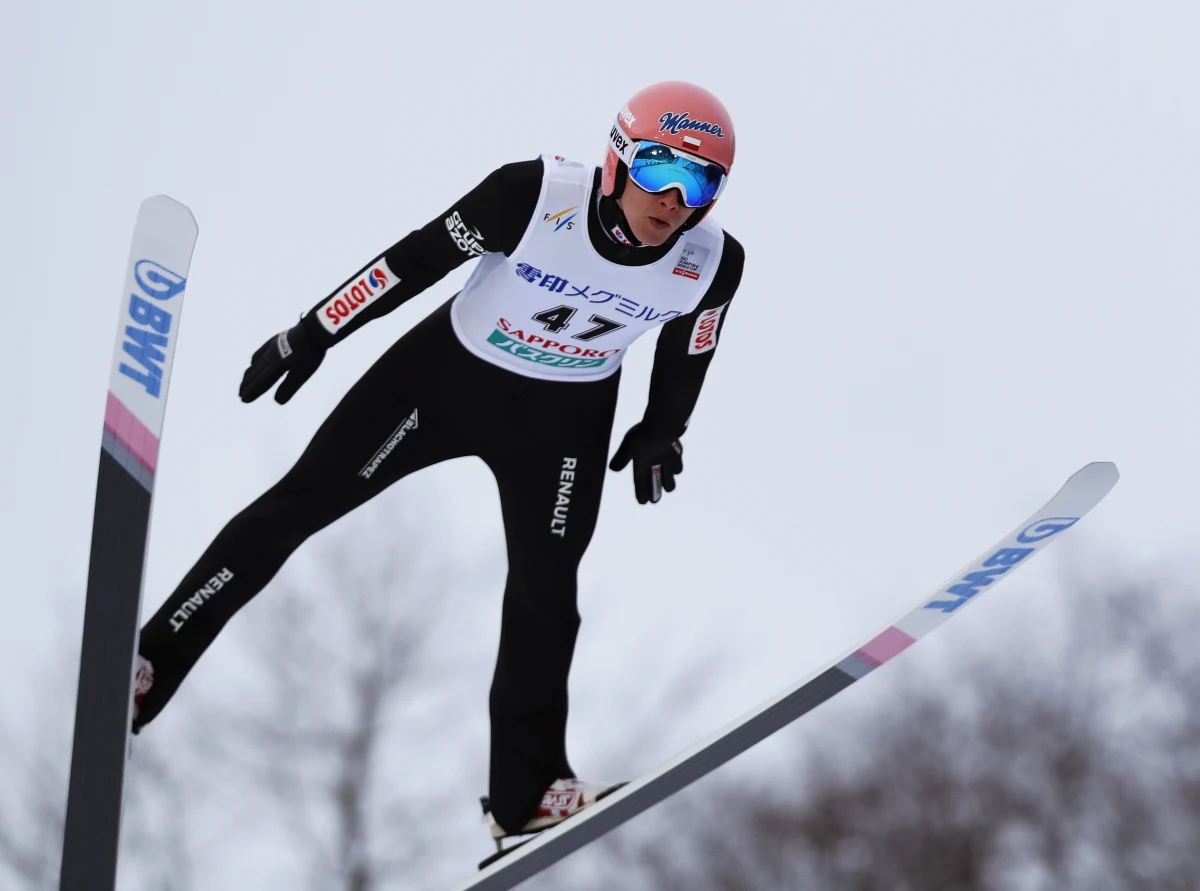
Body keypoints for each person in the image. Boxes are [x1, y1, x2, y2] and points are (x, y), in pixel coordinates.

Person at [130, 80, 745, 845]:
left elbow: (692, 349)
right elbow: (411, 262)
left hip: (565, 423)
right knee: (299, 505)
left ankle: (526, 792)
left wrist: (662, 430)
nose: (675, 199)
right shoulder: (532, 195)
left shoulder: (711, 262)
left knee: (548, 590)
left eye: (701, 181)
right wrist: (315, 331)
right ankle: (147, 665)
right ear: (618, 160)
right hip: (444, 383)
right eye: (659, 168)